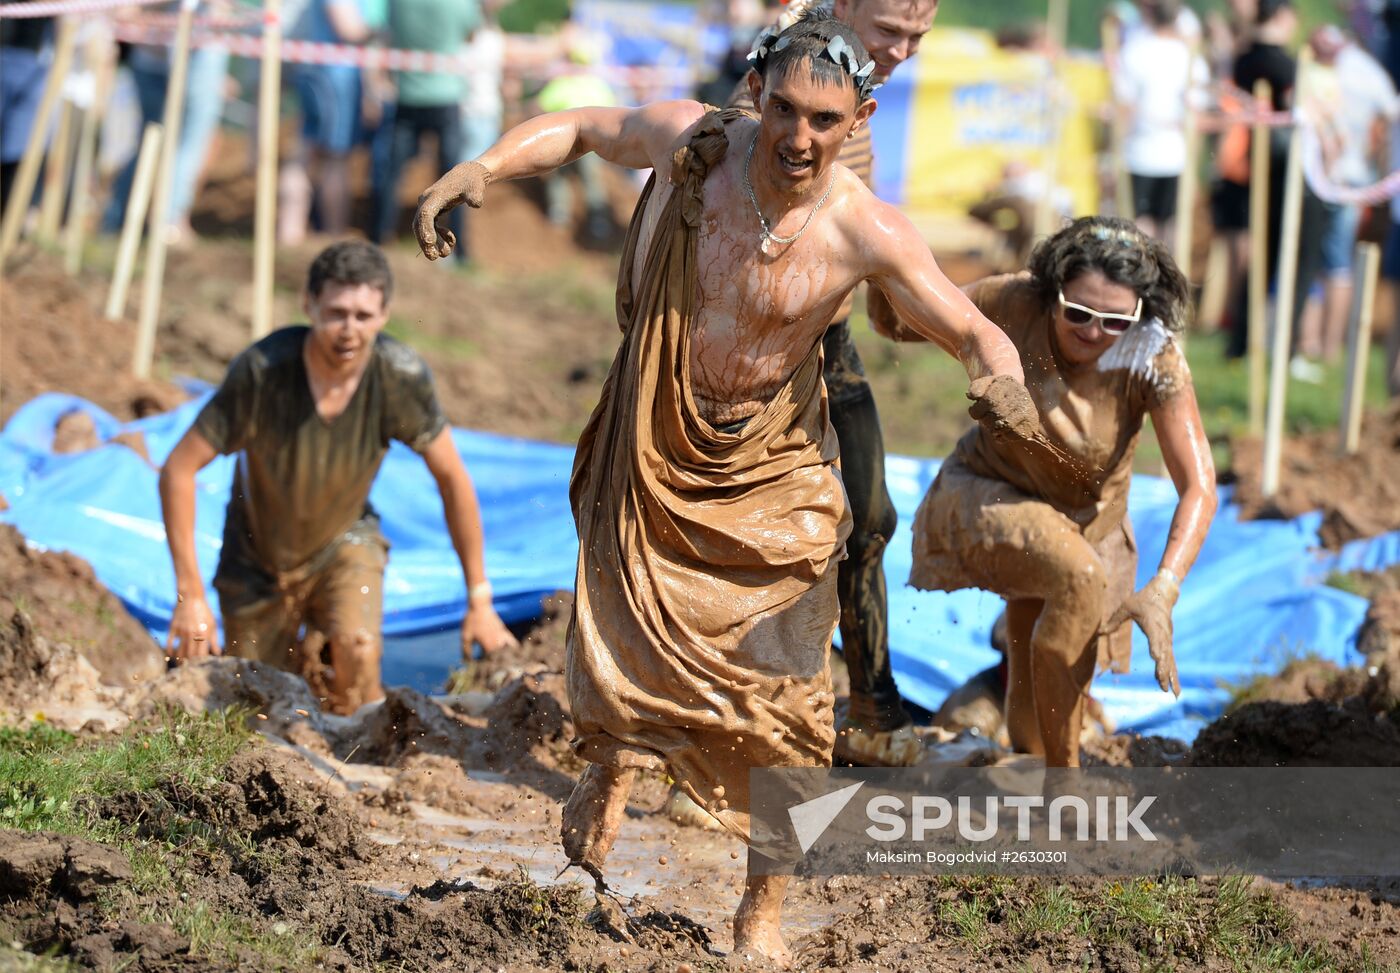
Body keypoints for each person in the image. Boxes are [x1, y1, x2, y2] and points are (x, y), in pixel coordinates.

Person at [413, 12, 1028, 962]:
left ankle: (763, 910)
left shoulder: (866, 228)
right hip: (652, 437)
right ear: (756, 93)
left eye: (825, 120)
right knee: (621, 637)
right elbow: (584, 126)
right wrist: (481, 169)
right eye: (782, 108)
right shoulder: (697, 143)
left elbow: (967, 325)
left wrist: (1003, 383)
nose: (797, 137)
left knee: (788, 698)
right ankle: (614, 762)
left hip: (773, 467)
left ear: (857, 116)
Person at [905, 216, 1218, 768]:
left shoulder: (1153, 355)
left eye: (1115, 321)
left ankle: (1033, 767)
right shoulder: (1011, 301)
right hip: (990, 490)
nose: (1094, 332)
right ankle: (1063, 785)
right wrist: (887, 268)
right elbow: (900, 314)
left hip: (1086, 521)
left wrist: (1164, 589)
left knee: (1041, 681)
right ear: (1050, 295)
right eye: (1078, 313)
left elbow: (1198, 486)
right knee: (1078, 579)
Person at [158, 241, 516, 714]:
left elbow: (452, 479)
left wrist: (479, 598)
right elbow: (178, 470)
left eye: (364, 316)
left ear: (385, 314)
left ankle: (357, 764)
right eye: (336, 313)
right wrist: (190, 596)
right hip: (256, 556)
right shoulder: (264, 373)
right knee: (254, 707)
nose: (349, 331)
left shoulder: (398, 377)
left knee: (358, 650)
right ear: (308, 305)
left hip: (344, 543)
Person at [727, 0, 941, 768]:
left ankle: (872, 708)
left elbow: (865, 232)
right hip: (751, 351)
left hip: (831, 339)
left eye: (921, 34)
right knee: (764, 542)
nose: (906, 49)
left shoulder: (860, 79)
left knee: (870, 515)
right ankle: (722, 725)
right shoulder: (794, 70)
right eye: (892, 31)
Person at [373, 0, 478, 260]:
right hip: (446, 96)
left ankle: (379, 238)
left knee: (392, 173)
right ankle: (460, 250)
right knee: (457, 178)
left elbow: (389, 30)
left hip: (408, 96)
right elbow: (471, 33)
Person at [1113, 0, 1209, 242]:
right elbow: (1196, 112)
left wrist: (1113, 153)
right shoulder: (1190, 58)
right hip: (1175, 155)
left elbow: (1124, 106)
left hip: (1138, 153)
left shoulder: (1134, 51)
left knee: (1140, 224)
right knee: (1170, 226)